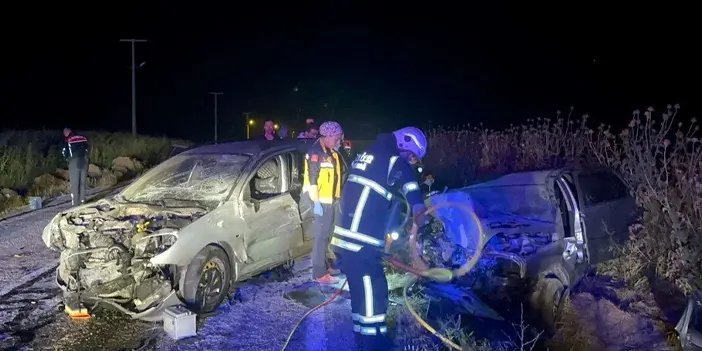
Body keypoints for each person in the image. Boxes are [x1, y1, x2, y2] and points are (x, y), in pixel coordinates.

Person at [331, 126, 428, 351]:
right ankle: (372, 343)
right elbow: (409, 182)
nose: (411, 161)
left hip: (352, 237)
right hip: (358, 240)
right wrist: (418, 206)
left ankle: (367, 335)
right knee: (370, 291)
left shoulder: (370, 153)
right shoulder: (392, 158)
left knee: (368, 289)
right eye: (412, 156)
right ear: (405, 143)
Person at [303, 121, 345, 284]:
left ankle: (327, 266)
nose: (339, 140)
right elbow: (313, 180)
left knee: (327, 236)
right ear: (327, 137)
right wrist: (316, 202)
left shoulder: (330, 151)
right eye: (336, 137)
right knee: (321, 237)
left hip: (331, 200)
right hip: (320, 201)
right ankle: (319, 273)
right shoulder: (316, 153)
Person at [61, 128, 90, 206]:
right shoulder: (83, 138)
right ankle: (83, 200)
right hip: (85, 160)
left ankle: (75, 203)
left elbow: (64, 152)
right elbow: (87, 149)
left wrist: (68, 160)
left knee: (74, 183)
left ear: (66, 134)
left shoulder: (68, 140)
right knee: (83, 182)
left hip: (74, 161)